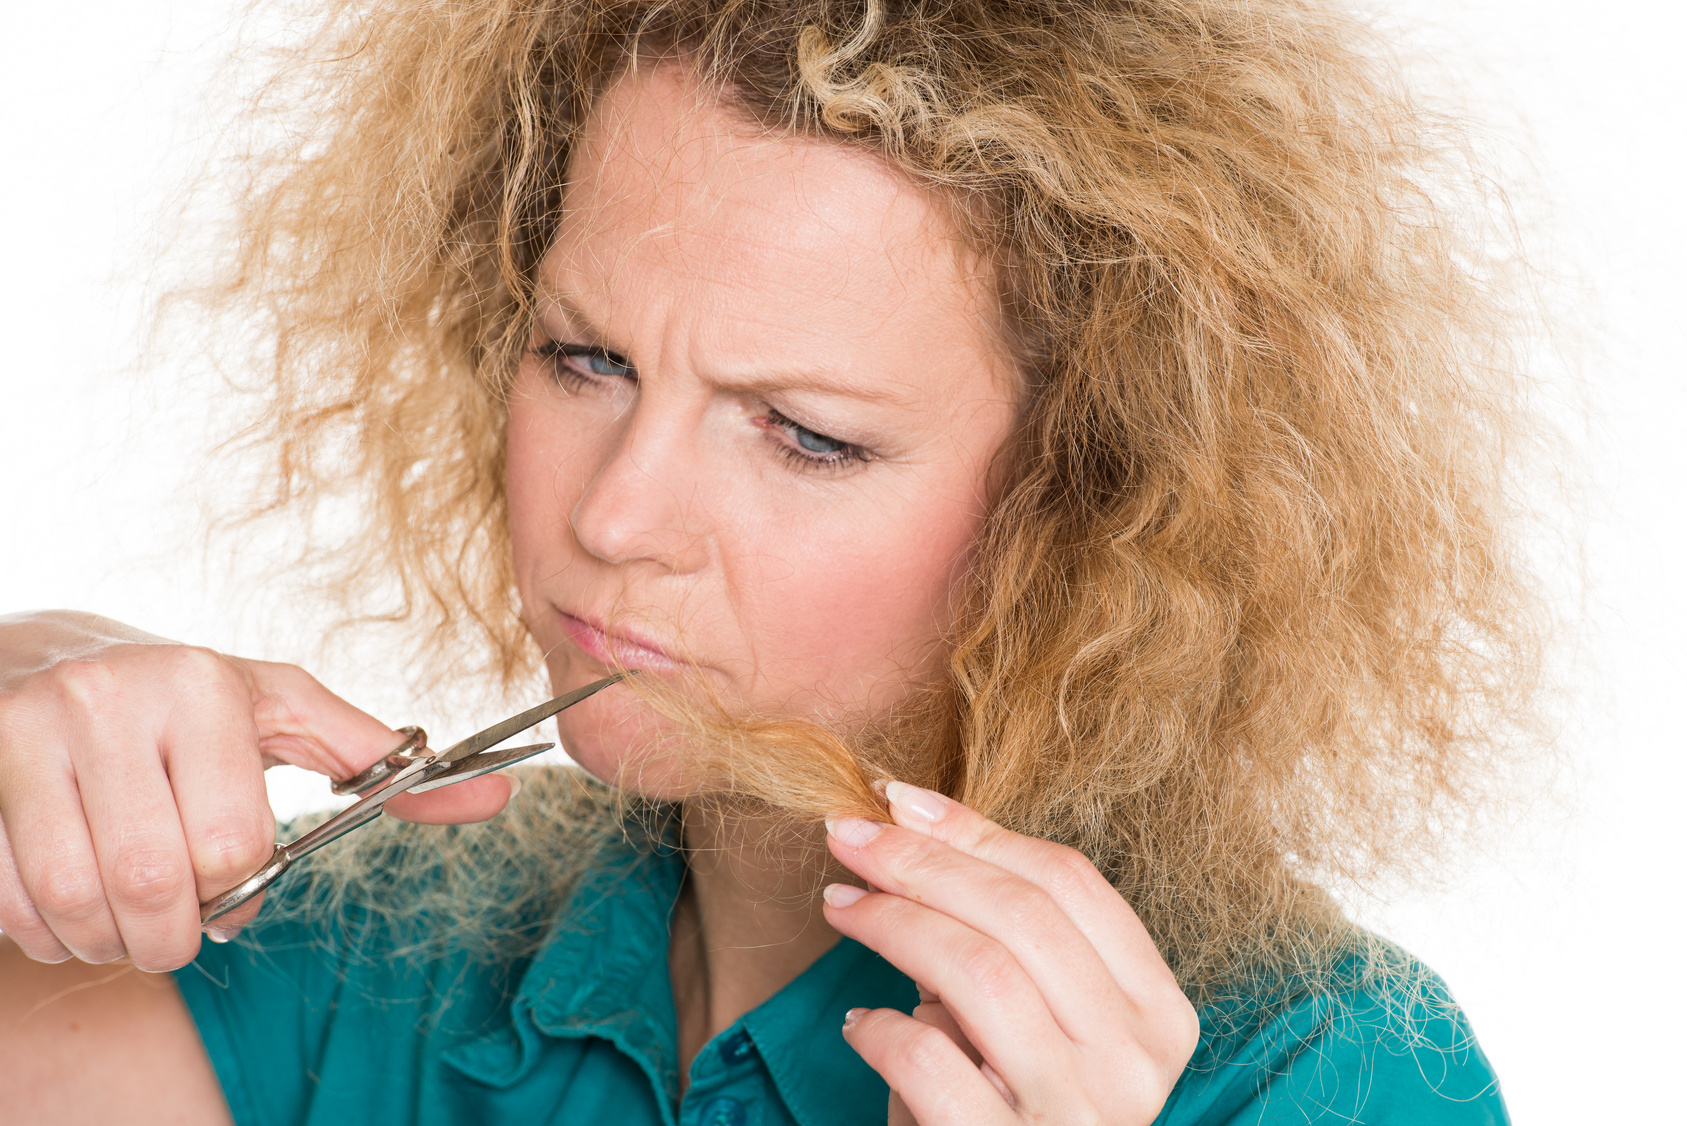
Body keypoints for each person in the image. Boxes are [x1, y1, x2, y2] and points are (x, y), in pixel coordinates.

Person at [0, 0, 1543, 1122]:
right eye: (585, 358)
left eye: (803, 434)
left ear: (1085, 515)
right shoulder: (368, 946)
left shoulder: (1323, 1072)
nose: (613, 519)